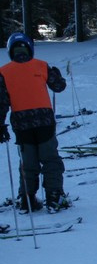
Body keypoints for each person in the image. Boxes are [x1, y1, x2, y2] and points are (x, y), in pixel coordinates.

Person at [0, 32, 69, 213]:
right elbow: (59, 86)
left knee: (28, 162)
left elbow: (1, 103)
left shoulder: (4, 72)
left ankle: (27, 198)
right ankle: (54, 196)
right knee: (50, 159)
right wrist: (57, 75)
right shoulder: (41, 66)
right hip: (45, 122)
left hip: (22, 125)